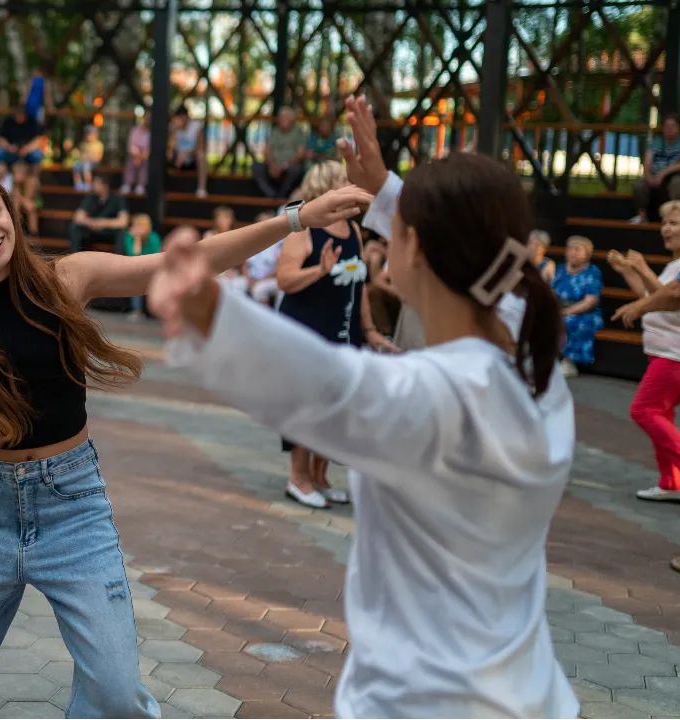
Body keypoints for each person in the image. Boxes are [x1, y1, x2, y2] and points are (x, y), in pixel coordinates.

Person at [0, 160, 370, 719]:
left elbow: (190, 261)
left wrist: (294, 220)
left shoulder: (66, 279)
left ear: (12, 212)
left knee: (118, 695)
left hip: (72, 506)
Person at [147, 95, 577, 720]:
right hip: (529, 693)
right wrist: (385, 189)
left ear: (416, 251)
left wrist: (213, 314)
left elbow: (330, 386)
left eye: (391, 230)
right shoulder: (532, 362)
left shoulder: (442, 398)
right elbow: (493, 272)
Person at [275, 160, 398, 509]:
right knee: (308, 406)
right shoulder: (305, 229)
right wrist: (320, 269)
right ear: (327, 185)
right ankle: (298, 479)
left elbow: (358, 286)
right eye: (344, 180)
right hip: (306, 332)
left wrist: (370, 330)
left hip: (343, 334)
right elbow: (284, 280)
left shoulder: (353, 230)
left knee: (336, 409)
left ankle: (319, 477)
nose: (350, 184)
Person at [608, 201, 680, 503]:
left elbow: (671, 300)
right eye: (664, 223)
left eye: (675, 223)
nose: (666, 228)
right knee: (661, 414)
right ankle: (672, 482)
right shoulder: (674, 265)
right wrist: (628, 271)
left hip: (676, 353)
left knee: (644, 411)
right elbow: (651, 297)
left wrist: (639, 267)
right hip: (664, 350)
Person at [551, 235, 603, 378]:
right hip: (560, 308)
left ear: (587, 254)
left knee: (573, 321)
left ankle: (570, 362)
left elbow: (590, 301)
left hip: (583, 311)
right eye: (570, 249)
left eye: (577, 249)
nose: (572, 252)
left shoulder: (592, 272)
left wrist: (567, 312)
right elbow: (551, 292)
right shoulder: (560, 269)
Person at [632, 113, 680, 223]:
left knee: (678, 184)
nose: (669, 129)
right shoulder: (655, 142)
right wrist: (648, 176)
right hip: (655, 175)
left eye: (673, 126)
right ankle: (642, 216)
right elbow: (647, 162)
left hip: (675, 175)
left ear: (678, 128)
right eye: (667, 126)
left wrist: (663, 173)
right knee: (639, 185)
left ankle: (679, 216)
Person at [253, 107, 307, 198]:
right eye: (280, 117)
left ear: (292, 119)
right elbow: (267, 150)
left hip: (289, 166)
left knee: (296, 169)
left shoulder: (299, 132)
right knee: (256, 166)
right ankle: (270, 193)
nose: (282, 119)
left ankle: (282, 194)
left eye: (285, 117)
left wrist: (283, 166)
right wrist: (272, 165)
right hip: (273, 166)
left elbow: (300, 154)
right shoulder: (275, 132)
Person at [67, 175, 129, 253]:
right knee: (75, 226)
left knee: (122, 231)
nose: (93, 185)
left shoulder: (117, 198)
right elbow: (78, 217)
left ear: (106, 186)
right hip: (92, 230)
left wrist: (103, 222)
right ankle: (74, 255)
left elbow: (123, 222)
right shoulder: (91, 197)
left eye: (97, 183)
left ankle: (119, 260)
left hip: (108, 232)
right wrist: (93, 222)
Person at [123, 213, 162, 320]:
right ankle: (137, 311)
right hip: (138, 268)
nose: (138, 229)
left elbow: (157, 257)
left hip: (153, 267)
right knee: (136, 277)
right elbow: (134, 256)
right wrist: (137, 239)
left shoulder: (154, 237)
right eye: (136, 226)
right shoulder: (129, 237)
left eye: (141, 226)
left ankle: (159, 311)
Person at [167, 105, 207, 197]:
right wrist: (174, 130)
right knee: (167, 154)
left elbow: (201, 147)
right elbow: (170, 147)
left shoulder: (196, 126)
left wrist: (187, 153)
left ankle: (202, 188)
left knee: (200, 156)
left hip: (192, 159)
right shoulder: (173, 127)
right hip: (178, 159)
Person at [245, 211, 282, 305]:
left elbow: (278, 268)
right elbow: (245, 264)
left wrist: (261, 280)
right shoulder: (251, 241)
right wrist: (249, 279)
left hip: (270, 279)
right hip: (251, 278)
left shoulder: (278, 243)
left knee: (259, 289)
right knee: (234, 286)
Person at [73, 125, 104, 191]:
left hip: (93, 162)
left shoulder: (99, 144)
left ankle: (88, 184)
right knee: (76, 165)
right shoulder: (83, 144)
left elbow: (98, 157)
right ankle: (78, 183)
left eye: (90, 134)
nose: (88, 136)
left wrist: (90, 158)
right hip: (83, 161)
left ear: (96, 135)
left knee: (86, 166)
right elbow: (80, 155)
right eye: (87, 134)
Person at [10, 162, 38, 237]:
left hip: (33, 201)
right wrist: (17, 186)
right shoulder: (15, 182)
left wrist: (18, 193)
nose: (15, 176)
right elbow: (14, 196)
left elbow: (28, 198)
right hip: (21, 201)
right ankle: (17, 230)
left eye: (17, 173)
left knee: (30, 207)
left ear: (23, 174)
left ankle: (33, 233)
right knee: (16, 205)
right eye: (14, 173)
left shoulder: (31, 181)